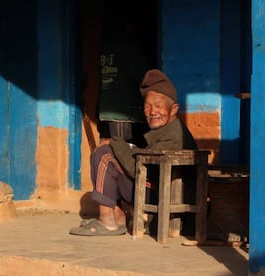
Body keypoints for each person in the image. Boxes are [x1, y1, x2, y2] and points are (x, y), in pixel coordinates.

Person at [69, 69, 198, 236]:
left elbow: (139, 167)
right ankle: (118, 217)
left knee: (104, 155)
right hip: (157, 189)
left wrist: (115, 142)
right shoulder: (165, 129)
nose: (152, 112)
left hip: (165, 196)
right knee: (111, 156)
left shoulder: (175, 134)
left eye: (158, 106)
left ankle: (108, 221)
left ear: (174, 109)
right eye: (147, 105)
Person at [97, 19, 150, 147]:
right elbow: (143, 77)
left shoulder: (106, 48)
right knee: (123, 151)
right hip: (123, 111)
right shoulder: (128, 49)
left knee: (112, 150)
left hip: (106, 110)